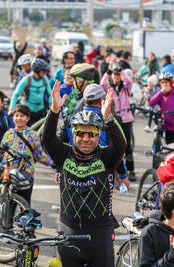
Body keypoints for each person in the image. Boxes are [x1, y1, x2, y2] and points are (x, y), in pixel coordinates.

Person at [42, 82, 126, 267]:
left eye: (91, 133)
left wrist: (109, 118)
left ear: (98, 135)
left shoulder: (106, 158)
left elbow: (120, 145)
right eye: (80, 133)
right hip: (68, 230)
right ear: (73, 134)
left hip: (100, 232)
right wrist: (54, 111)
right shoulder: (64, 155)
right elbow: (47, 139)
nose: (86, 138)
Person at [58, 83, 130, 187]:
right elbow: (118, 151)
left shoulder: (70, 119)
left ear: (83, 101)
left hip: (73, 173)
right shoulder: (109, 122)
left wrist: (58, 168)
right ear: (102, 101)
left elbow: (59, 146)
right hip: (101, 174)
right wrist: (123, 176)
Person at [0, 103, 52, 205]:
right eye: (16, 115)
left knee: (24, 205)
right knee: (7, 205)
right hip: (8, 174)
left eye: (22, 116)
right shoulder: (8, 134)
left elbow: (39, 154)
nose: (19, 118)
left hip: (25, 174)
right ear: (13, 117)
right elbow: (0, 152)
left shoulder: (32, 135)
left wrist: (53, 163)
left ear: (27, 118)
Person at [101, 67, 135, 180]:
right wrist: (108, 71)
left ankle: (131, 170)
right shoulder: (108, 87)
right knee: (115, 144)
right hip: (114, 119)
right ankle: (117, 169)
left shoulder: (126, 88)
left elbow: (129, 81)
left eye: (118, 75)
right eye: (114, 75)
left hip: (126, 120)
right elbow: (102, 83)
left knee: (128, 146)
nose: (116, 77)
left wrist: (122, 72)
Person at [149, 72, 174, 144]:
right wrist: (161, 93)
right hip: (165, 126)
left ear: (171, 83)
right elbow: (151, 103)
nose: (164, 84)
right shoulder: (160, 94)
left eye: (166, 82)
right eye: (163, 82)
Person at [9, 58, 52, 125]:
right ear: (37, 71)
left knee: (42, 131)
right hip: (27, 110)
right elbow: (16, 95)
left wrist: (51, 104)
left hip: (41, 109)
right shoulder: (26, 79)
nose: (45, 73)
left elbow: (50, 94)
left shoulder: (45, 79)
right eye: (43, 72)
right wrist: (11, 108)